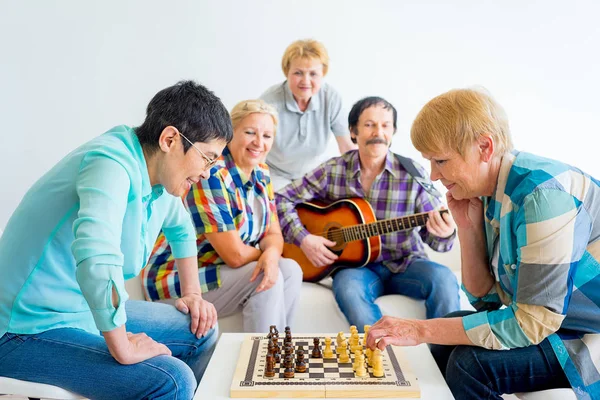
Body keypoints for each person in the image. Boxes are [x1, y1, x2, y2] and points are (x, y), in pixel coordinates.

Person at [0, 80, 233, 400]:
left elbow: (182, 230)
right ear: (170, 139)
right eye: (207, 158)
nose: (208, 172)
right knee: (172, 380)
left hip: (82, 313)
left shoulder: (160, 180)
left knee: (200, 329)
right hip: (22, 329)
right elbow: (97, 257)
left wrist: (192, 293)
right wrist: (121, 345)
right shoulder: (109, 163)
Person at [367, 88, 600, 399]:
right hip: (560, 324)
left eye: (441, 160)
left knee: (469, 363)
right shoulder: (490, 191)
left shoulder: (543, 195)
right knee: (445, 335)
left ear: (484, 147)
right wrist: (467, 228)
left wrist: (418, 329)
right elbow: (485, 300)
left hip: (587, 334)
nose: (434, 175)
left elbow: (531, 324)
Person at [276, 96, 460, 331]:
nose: (378, 132)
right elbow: (281, 199)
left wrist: (445, 232)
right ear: (353, 132)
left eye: (385, 125)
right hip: (356, 269)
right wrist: (304, 238)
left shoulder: (413, 174)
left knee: (444, 279)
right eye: (369, 125)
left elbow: (438, 240)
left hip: (406, 263)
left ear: (393, 132)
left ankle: (444, 360)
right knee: (348, 290)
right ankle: (382, 360)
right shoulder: (333, 170)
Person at [143, 99, 302, 332]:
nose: (259, 142)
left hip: (219, 273)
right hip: (176, 279)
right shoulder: (211, 173)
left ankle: (278, 352)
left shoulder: (262, 172)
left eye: (267, 136)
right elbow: (234, 255)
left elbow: (273, 232)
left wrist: (271, 253)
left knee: (291, 270)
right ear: (231, 134)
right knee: (266, 275)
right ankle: (262, 358)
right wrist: (268, 255)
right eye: (250, 132)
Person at [260, 39, 356, 190]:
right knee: (283, 206)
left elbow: (346, 146)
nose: (306, 81)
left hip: (315, 174)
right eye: (298, 73)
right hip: (276, 173)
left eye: (313, 74)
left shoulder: (330, 98)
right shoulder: (270, 101)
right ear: (287, 72)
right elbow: (257, 146)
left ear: (322, 74)